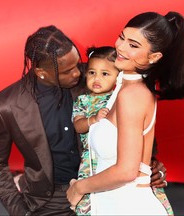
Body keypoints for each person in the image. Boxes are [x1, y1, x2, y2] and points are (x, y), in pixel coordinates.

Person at [0, 25, 169, 216]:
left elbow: (133, 118)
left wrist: (149, 165)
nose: (78, 73)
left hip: (101, 189)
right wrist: (18, 210)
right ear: (41, 72)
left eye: (77, 64)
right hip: (49, 202)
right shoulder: (8, 104)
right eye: (67, 71)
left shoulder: (96, 74)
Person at [67, 11, 184, 215]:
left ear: (154, 57)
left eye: (133, 45)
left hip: (128, 206)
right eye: (122, 37)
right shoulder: (122, 85)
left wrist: (79, 187)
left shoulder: (133, 95)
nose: (120, 47)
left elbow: (126, 171)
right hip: (113, 204)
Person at [72, 46, 119, 215]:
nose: (96, 78)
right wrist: (93, 119)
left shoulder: (120, 97)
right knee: (89, 202)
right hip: (91, 158)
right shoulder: (83, 100)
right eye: (92, 72)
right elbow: (78, 126)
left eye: (105, 74)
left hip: (118, 156)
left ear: (117, 76)